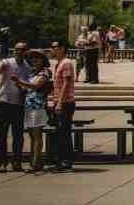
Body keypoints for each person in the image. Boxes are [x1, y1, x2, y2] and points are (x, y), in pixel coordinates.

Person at [14, 49, 51, 173]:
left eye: (37, 57)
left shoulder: (45, 72)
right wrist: (20, 85)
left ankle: (35, 163)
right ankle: (36, 161)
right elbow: (28, 88)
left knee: (36, 136)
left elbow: (36, 86)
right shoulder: (32, 72)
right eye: (32, 58)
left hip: (38, 107)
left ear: (43, 60)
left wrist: (19, 81)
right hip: (29, 106)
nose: (34, 60)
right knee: (32, 136)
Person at [0, 42, 29, 172]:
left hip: (18, 104)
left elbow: (27, 85)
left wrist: (21, 85)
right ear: (14, 51)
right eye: (17, 49)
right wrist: (1, 67)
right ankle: (1, 163)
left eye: (22, 50)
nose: (19, 52)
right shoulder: (8, 62)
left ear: (26, 52)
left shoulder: (27, 67)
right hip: (3, 101)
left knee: (18, 136)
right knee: (1, 135)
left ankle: (16, 162)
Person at [50, 40, 76, 172]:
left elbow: (66, 83)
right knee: (60, 132)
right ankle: (60, 160)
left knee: (64, 132)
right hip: (59, 101)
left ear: (62, 48)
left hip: (65, 103)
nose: (52, 49)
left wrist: (59, 102)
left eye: (54, 47)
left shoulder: (66, 63)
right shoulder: (58, 64)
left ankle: (66, 161)